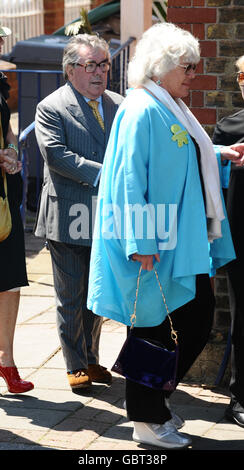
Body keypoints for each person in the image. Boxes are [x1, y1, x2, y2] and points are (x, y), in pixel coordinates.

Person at [87, 22, 244, 449]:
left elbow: (182, 153)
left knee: (193, 320)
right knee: (154, 329)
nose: (194, 74)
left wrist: (220, 154)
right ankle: (145, 418)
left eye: (195, 66)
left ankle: (156, 403)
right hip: (155, 244)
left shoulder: (169, 105)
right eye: (187, 67)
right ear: (161, 68)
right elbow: (127, 180)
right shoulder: (142, 109)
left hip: (180, 241)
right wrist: (140, 244)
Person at [34, 34, 123, 392]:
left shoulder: (119, 103)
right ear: (71, 70)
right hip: (68, 214)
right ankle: (74, 365)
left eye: (104, 64)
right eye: (91, 65)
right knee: (70, 295)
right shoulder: (52, 107)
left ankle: (91, 358)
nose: (100, 72)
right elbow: (56, 156)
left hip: (105, 216)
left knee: (97, 292)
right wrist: (108, 172)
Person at [212, 54, 244, 428]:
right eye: (242, 76)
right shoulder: (227, 129)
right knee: (243, 319)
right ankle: (240, 395)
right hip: (241, 237)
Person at [0, 24, 34, 394]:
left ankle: (6, 362)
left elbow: (6, 127)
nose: (1, 43)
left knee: (9, 281)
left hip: (4, 193)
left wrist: (12, 152)